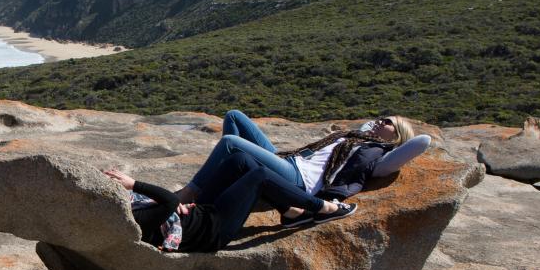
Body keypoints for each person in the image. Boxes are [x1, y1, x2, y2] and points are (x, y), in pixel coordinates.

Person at [177, 110, 430, 228]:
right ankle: (228, 179)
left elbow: (420, 143)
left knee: (231, 143)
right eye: (380, 118)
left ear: (397, 136)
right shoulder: (356, 138)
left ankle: (189, 194)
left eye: (388, 123)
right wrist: (364, 131)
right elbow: (361, 130)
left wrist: (398, 142)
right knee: (234, 116)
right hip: (290, 160)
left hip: (298, 179)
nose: (379, 121)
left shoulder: (378, 153)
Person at [104, 150, 356, 253]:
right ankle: (323, 208)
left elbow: (168, 203)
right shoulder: (129, 217)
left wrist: (138, 192)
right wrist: (134, 183)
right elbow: (170, 201)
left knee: (239, 160)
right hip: (214, 228)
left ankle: (289, 212)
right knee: (260, 176)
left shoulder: (133, 203)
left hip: (200, 212)